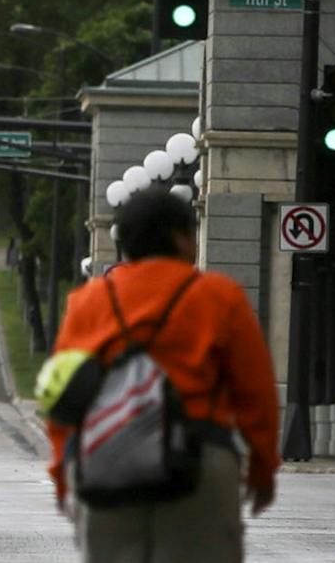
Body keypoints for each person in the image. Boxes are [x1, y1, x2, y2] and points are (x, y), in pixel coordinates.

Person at [46, 188, 278, 563]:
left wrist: (63, 474)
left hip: (108, 463)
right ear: (181, 237)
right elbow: (256, 394)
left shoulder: (88, 302)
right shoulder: (219, 297)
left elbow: (63, 399)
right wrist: (263, 468)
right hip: (200, 463)